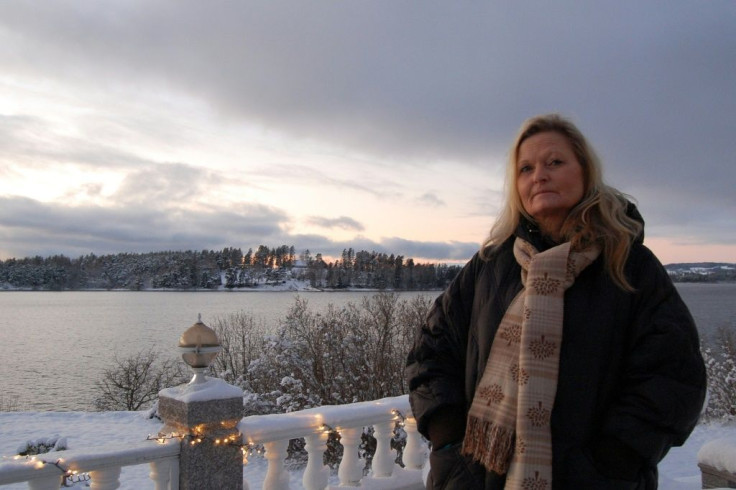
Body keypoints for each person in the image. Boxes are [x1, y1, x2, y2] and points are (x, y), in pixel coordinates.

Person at [406, 114, 706, 489]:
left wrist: (615, 458)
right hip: (476, 476)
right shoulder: (490, 267)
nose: (539, 176)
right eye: (526, 168)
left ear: (585, 171)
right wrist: (448, 434)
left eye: (555, 162)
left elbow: (674, 375)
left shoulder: (629, 267)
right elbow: (430, 352)